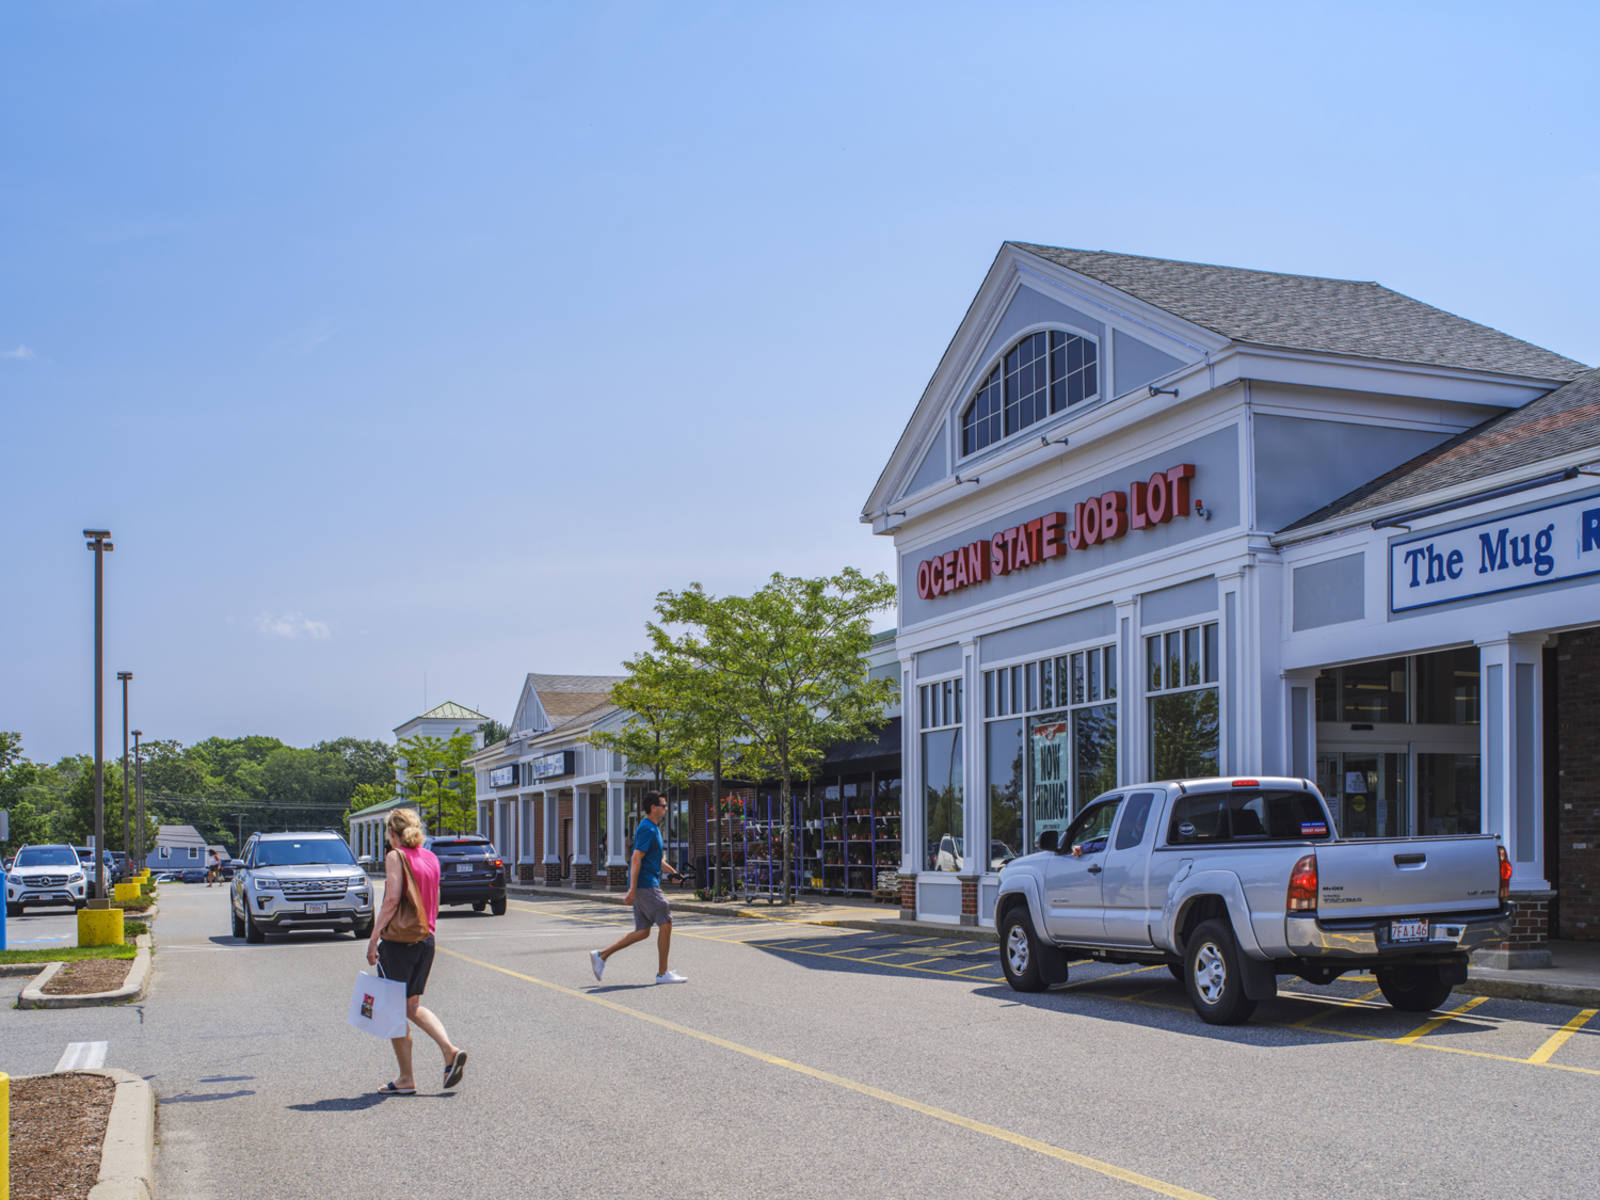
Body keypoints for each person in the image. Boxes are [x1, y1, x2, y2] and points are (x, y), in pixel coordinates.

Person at [367, 807, 467, 1095]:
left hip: (399, 942)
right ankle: (449, 1050)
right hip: (426, 939)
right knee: (411, 1006)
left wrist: (374, 938)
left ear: (392, 833)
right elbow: (434, 899)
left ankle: (406, 1078)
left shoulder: (395, 856)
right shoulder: (431, 857)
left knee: (393, 1010)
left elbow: (392, 899)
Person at [589, 791, 687, 985]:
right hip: (645, 885)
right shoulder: (647, 829)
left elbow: (655, 859)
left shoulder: (653, 828)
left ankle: (602, 955)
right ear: (653, 808)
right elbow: (636, 858)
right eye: (664, 806)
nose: (667, 809)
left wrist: (672, 872)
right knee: (666, 923)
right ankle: (663, 973)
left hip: (647, 883)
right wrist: (632, 889)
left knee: (643, 931)